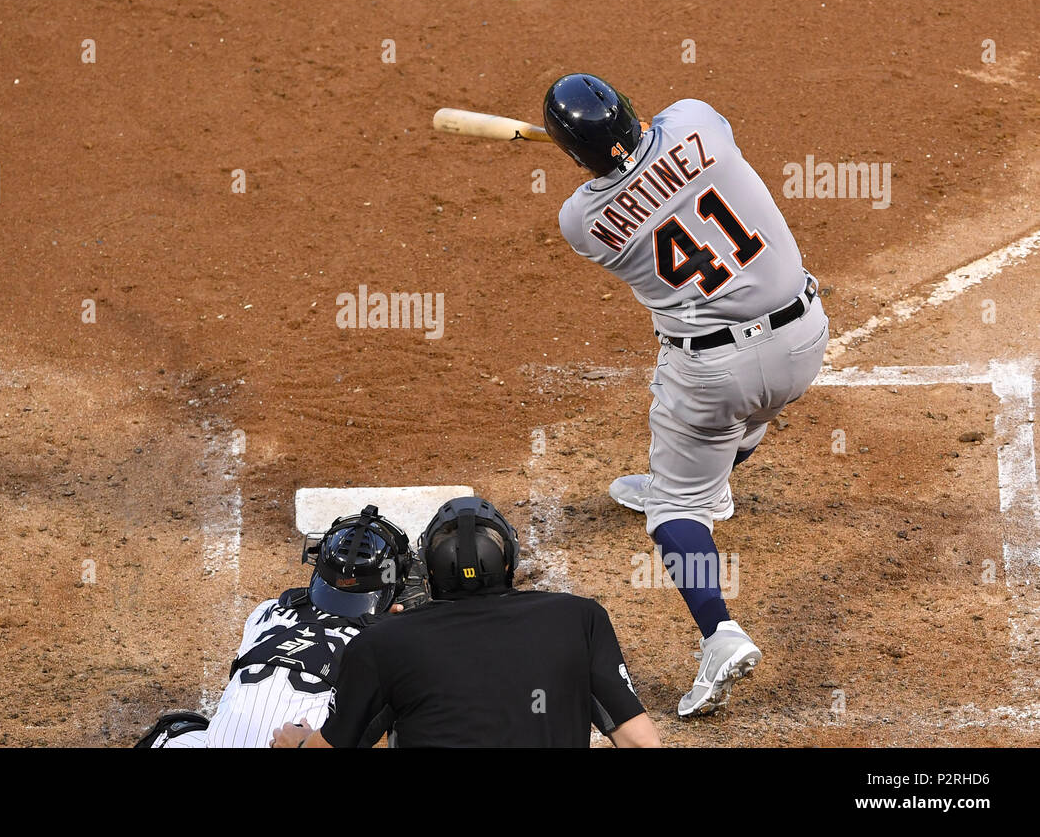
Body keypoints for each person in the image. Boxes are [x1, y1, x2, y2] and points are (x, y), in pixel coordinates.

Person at [544, 73, 829, 716]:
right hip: (803, 341)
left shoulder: (581, 223)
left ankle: (719, 632)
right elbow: (666, 148)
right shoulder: (696, 120)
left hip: (715, 374)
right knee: (749, 407)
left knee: (676, 507)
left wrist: (604, 163)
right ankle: (709, 478)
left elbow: (614, 192)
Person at [270, 496, 660, 748]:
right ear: (509, 563)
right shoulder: (579, 619)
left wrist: (298, 743)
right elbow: (641, 743)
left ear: (430, 576)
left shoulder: (382, 642)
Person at [136, 505, 418, 747]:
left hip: (223, 740)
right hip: (303, 741)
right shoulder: (386, 641)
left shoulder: (267, 610)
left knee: (176, 728)